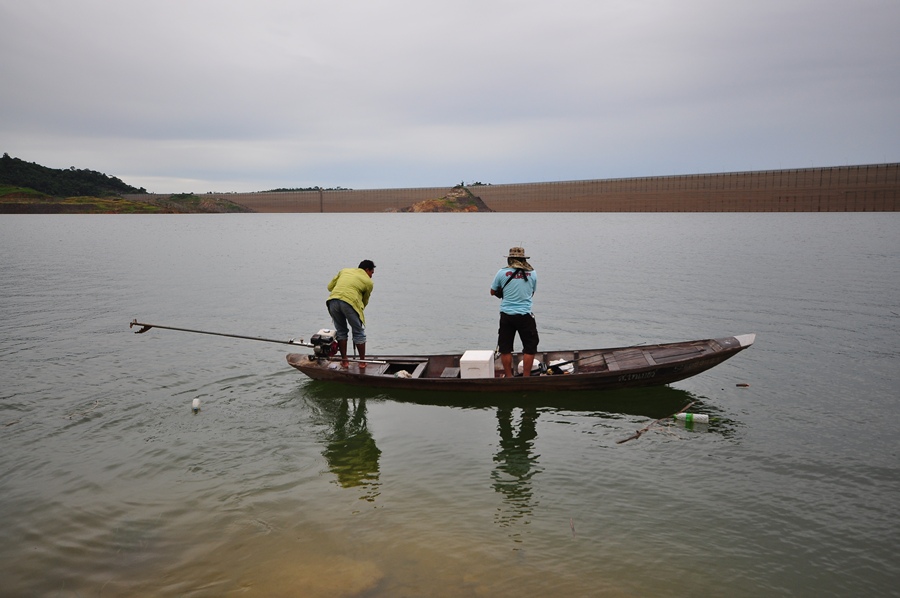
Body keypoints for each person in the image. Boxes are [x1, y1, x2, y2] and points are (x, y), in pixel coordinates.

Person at [490, 247, 539, 377]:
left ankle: (508, 377)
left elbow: (492, 291)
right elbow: (532, 293)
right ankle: (526, 377)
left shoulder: (501, 273)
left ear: (509, 259)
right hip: (525, 316)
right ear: (523, 259)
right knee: (530, 347)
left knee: (505, 348)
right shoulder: (532, 273)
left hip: (506, 315)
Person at [326, 260, 375, 368]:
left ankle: (345, 361)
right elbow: (364, 302)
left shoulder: (344, 271)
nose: (371, 276)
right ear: (367, 270)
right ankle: (362, 363)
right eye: (372, 273)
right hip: (349, 303)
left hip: (332, 301)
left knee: (341, 331)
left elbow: (330, 287)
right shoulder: (368, 282)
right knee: (358, 332)